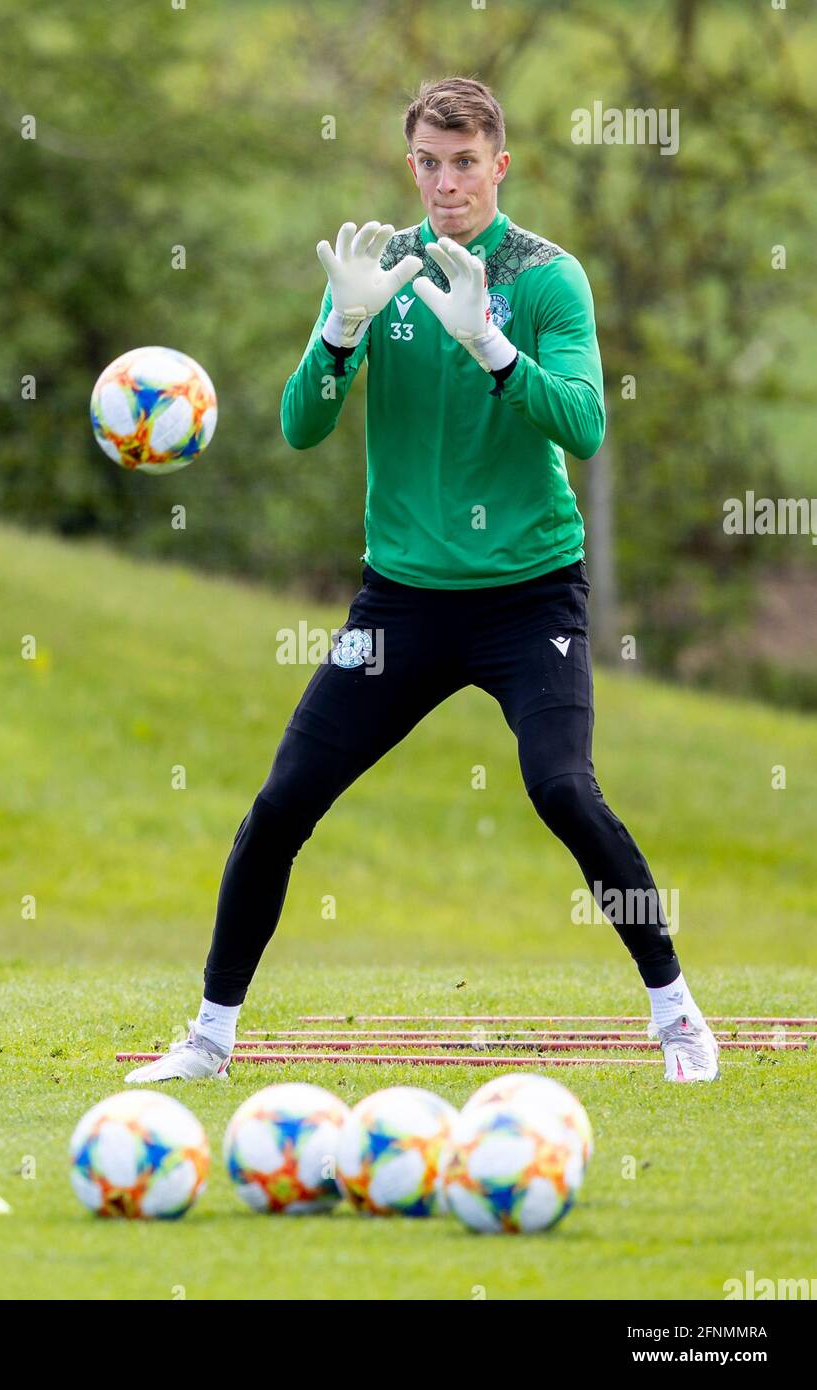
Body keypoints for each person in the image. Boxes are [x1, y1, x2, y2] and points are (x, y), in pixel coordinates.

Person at [128, 75, 719, 1087]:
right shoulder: (372, 269)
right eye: (429, 163)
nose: (447, 182)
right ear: (411, 165)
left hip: (529, 594)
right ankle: (209, 1039)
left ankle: (676, 1016)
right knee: (281, 803)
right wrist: (339, 334)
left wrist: (489, 344)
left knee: (561, 787)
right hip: (398, 603)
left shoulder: (545, 278)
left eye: (465, 162)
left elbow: (582, 422)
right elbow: (298, 428)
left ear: (499, 164)